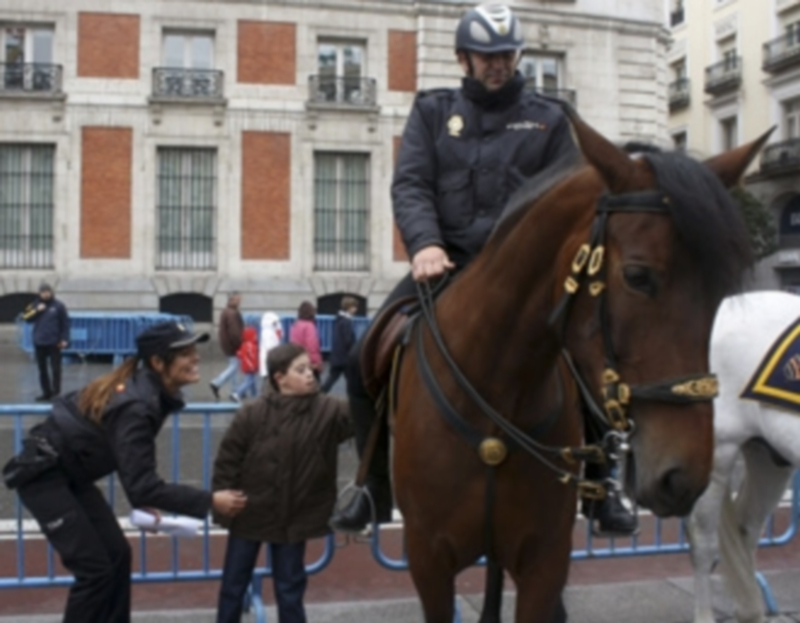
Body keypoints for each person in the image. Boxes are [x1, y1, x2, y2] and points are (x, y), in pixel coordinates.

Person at [330, 3, 636, 539]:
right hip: (445, 265)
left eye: (507, 54)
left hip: (527, 276)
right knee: (363, 358)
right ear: (463, 58)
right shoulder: (432, 112)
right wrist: (423, 243)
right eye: (487, 55)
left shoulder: (549, 118)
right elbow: (412, 184)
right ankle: (372, 488)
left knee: (591, 352)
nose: (498, 64)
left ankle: (603, 484)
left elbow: (569, 195)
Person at [1, 321, 248, 623]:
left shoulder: (147, 392)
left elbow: (129, 464)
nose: (196, 357)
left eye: (194, 350)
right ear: (158, 363)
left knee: (117, 555)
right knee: (94, 570)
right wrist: (210, 501)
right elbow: (143, 483)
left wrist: (139, 495)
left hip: (71, 476)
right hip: (45, 477)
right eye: (185, 353)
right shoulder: (137, 405)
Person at [212, 343, 352, 623]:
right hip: (247, 512)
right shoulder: (251, 414)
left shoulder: (329, 410)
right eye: (300, 370)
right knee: (233, 587)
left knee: (290, 590)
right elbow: (228, 461)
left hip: (293, 517)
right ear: (280, 378)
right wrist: (222, 504)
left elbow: (363, 414)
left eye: (310, 367)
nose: (310, 374)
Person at [22, 283, 70, 401]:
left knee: (55, 369)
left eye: (47, 292)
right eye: (43, 292)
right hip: (40, 341)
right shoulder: (34, 304)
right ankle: (46, 392)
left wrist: (65, 339)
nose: (45, 294)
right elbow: (26, 317)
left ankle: (56, 392)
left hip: (54, 341)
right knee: (42, 369)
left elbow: (65, 324)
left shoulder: (59, 306)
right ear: (40, 293)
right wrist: (37, 311)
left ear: (51, 292)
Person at [320, 296, 359, 393]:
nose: (356, 309)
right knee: (351, 380)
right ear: (349, 307)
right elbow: (348, 340)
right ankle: (354, 398)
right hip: (345, 357)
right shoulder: (347, 321)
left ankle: (321, 393)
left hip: (338, 356)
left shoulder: (339, 320)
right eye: (354, 307)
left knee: (332, 378)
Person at [210, 292, 244, 400]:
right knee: (234, 366)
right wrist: (240, 343)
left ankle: (234, 391)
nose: (240, 301)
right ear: (232, 299)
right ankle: (217, 382)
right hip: (232, 345)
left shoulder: (226, 311)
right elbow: (235, 332)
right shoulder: (232, 313)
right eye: (238, 299)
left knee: (233, 365)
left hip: (227, 344)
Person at [288, 302, 323, 379]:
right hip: (308, 361)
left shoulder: (295, 324)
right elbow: (312, 345)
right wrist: (317, 362)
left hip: (297, 358)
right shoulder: (309, 325)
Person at [231, 326, 259, 403]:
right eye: (255, 335)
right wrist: (254, 366)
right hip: (250, 367)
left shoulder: (245, 344)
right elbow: (253, 357)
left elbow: (239, 354)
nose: (256, 337)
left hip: (247, 366)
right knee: (249, 381)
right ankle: (238, 393)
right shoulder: (252, 346)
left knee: (251, 381)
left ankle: (255, 395)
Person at [258, 311, 284, 379]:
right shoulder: (267, 332)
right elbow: (270, 347)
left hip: (271, 359)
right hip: (269, 359)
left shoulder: (270, 331)